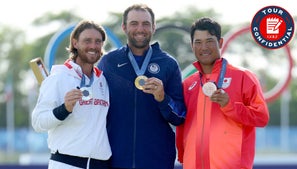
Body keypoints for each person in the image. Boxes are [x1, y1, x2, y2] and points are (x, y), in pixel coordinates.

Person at [97, 4, 186, 169]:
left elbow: (180, 116)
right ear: (124, 27)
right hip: (114, 159)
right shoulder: (109, 62)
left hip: (157, 160)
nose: (140, 29)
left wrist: (162, 98)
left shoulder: (168, 64)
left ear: (153, 27)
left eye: (145, 24)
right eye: (134, 23)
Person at [176, 17, 270, 169]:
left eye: (209, 41)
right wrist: (182, 156)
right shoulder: (188, 84)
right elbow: (182, 124)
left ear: (220, 42)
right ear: (192, 46)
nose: (203, 47)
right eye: (198, 42)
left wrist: (229, 105)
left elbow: (261, 117)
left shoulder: (243, 77)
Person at [31, 20, 111, 169]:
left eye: (98, 41)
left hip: (100, 164)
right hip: (66, 163)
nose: (93, 46)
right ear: (75, 43)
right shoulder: (58, 78)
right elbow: (38, 122)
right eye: (87, 41)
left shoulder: (103, 80)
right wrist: (65, 109)